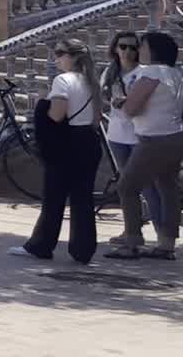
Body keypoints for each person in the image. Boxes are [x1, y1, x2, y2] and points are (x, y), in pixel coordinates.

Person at [14, 39, 102, 264]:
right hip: (89, 142)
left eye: (60, 53)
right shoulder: (92, 81)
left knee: (54, 197)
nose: (56, 58)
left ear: (73, 57)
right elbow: (97, 118)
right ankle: (83, 250)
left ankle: (41, 245)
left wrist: (43, 104)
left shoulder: (62, 80)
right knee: (83, 199)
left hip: (68, 144)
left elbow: (56, 115)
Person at [108, 31, 183, 260]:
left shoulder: (151, 72)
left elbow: (132, 109)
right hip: (174, 136)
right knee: (167, 186)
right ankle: (167, 244)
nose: (139, 50)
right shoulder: (175, 73)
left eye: (143, 46)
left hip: (153, 139)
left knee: (127, 186)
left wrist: (121, 103)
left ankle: (132, 241)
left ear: (153, 50)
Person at [102, 30, 164, 248]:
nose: (127, 51)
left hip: (140, 136)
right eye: (123, 47)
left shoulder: (144, 73)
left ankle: (162, 236)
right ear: (115, 49)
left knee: (148, 187)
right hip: (117, 136)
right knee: (127, 186)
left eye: (132, 47)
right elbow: (105, 98)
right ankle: (132, 230)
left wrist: (128, 103)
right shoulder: (109, 72)